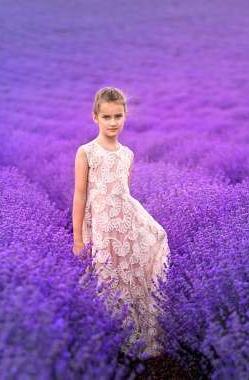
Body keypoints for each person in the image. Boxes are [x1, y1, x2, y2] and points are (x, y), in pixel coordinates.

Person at [72, 87, 171, 358]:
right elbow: (80, 196)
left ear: (126, 115)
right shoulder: (86, 152)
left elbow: (124, 194)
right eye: (107, 117)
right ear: (95, 117)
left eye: (118, 116)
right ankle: (110, 341)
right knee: (106, 278)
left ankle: (136, 338)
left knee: (132, 277)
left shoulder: (127, 154)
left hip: (126, 224)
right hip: (102, 228)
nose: (113, 122)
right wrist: (79, 238)